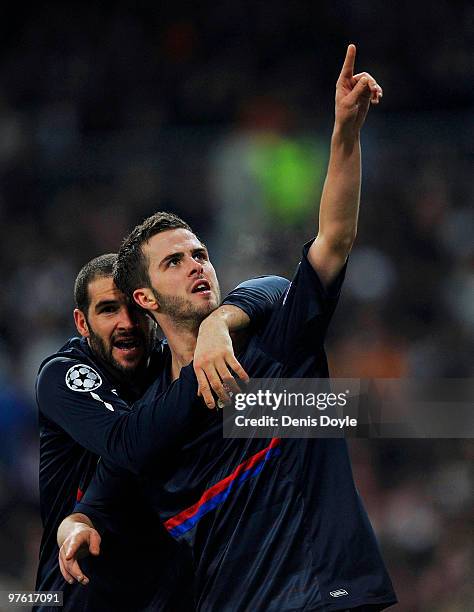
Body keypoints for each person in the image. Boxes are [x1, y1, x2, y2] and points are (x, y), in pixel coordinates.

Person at [60, 44, 397, 610]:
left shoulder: (275, 347)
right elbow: (105, 489)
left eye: (200, 253)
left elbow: (331, 241)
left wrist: (344, 134)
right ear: (143, 298)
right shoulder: (151, 415)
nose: (196, 264)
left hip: (325, 597)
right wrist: (76, 521)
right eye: (175, 261)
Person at [36, 252, 287, 611]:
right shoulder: (64, 375)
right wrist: (201, 360)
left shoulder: (171, 366)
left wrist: (220, 322)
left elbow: (278, 287)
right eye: (107, 310)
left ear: (149, 307)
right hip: (77, 597)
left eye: (133, 309)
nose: (126, 323)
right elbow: (129, 445)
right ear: (82, 322)